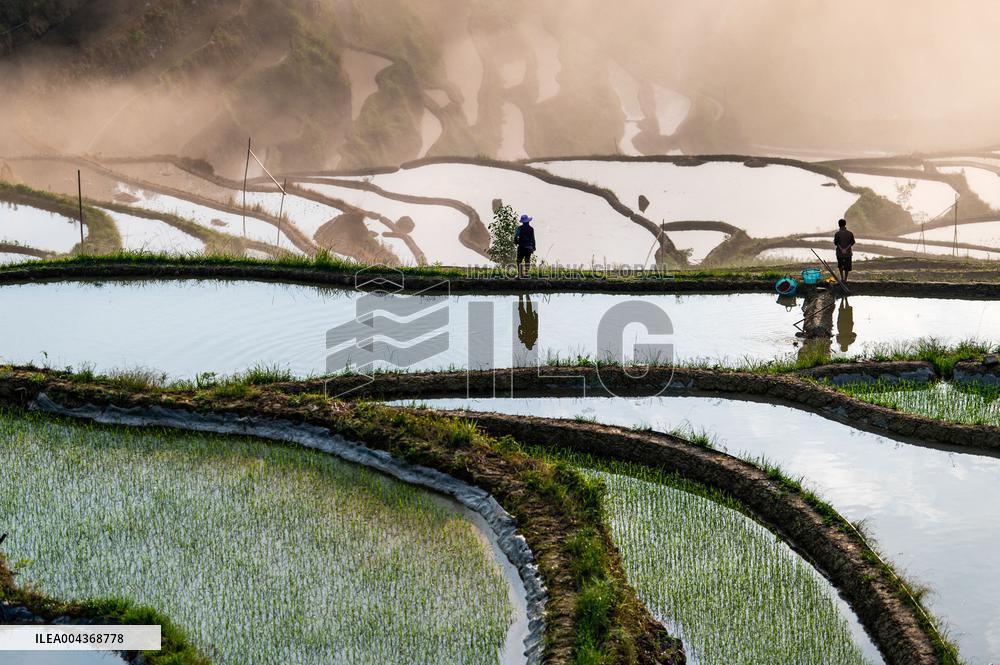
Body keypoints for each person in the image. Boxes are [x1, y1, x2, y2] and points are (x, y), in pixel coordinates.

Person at [833, 218, 856, 284]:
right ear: (845, 224)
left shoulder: (837, 234)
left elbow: (836, 243)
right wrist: (846, 249)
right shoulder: (850, 233)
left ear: (839, 225)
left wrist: (842, 249)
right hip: (848, 253)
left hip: (839, 253)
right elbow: (852, 242)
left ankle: (842, 278)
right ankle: (845, 279)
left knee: (840, 265)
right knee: (847, 266)